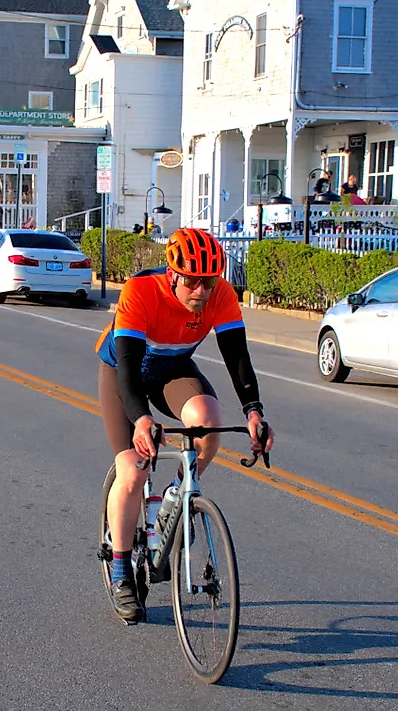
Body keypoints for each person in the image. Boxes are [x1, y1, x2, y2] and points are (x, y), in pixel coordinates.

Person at [94, 227, 275, 623]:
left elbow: (237, 357)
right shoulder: (141, 291)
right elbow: (127, 369)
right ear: (173, 275)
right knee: (133, 466)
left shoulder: (221, 295)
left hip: (171, 369)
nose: (201, 291)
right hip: (125, 373)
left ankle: (179, 493)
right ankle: (122, 569)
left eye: (208, 281)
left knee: (209, 421)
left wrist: (254, 412)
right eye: (192, 281)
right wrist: (142, 420)